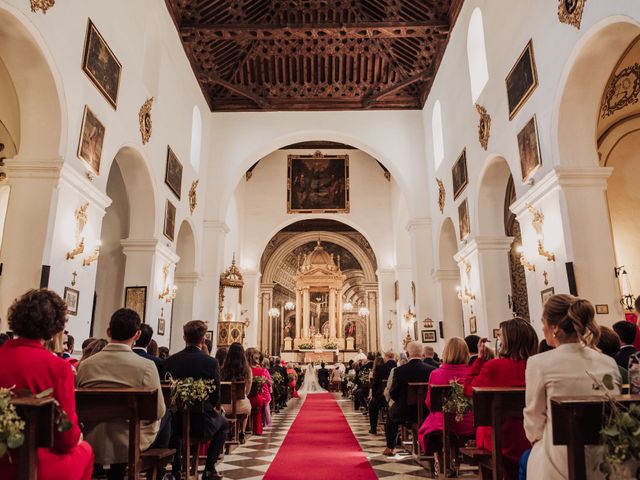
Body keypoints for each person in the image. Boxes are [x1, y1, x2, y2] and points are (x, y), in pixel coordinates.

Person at [0, 289, 94, 480]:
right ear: (54, 328)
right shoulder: (57, 367)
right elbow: (65, 439)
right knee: (85, 450)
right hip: (31, 462)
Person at [525, 295, 621, 479]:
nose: (542, 328)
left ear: (555, 328)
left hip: (558, 461)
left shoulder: (539, 363)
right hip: (605, 460)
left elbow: (534, 422)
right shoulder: (608, 363)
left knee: (533, 455)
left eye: (543, 322)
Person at [76, 309, 167, 480]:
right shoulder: (146, 366)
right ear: (137, 334)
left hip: (91, 437)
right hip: (129, 441)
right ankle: (158, 473)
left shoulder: (86, 365)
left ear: (108, 331)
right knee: (167, 414)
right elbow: (158, 411)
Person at [463, 318, 538, 479]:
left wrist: (480, 359)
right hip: (533, 436)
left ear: (507, 341)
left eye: (500, 337)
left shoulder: (494, 366)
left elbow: (469, 389)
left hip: (499, 438)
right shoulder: (538, 366)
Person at [162, 320, 227, 480]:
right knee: (224, 425)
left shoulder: (170, 361)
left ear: (184, 337)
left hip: (173, 422)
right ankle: (209, 469)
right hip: (202, 421)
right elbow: (215, 396)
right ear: (203, 339)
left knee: (174, 423)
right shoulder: (210, 362)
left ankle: (176, 468)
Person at [419, 337, 474, 459]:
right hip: (471, 425)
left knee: (434, 422)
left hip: (445, 426)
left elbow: (430, 403)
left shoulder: (436, 374)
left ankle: (442, 461)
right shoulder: (473, 374)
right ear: (466, 353)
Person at [383, 341, 436, 456]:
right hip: (426, 411)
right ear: (422, 354)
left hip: (404, 411)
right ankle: (428, 448)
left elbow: (393, 394)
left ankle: (390, 447)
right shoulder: (432, 370)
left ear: (407, 354)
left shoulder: (399, 371)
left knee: (391, 416)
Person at [220, 342, 252, 442]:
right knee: (246, 404)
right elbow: (248, 390)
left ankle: (229, 430)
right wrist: (243, 395)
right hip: (242, 406)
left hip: (225, 406)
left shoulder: (223, 369)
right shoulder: (247, 370)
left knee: (225, 409)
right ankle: (241, 431)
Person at [369, 351, 397, 435]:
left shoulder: (380, 368)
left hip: (383, 398)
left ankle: (373, 429)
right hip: (396, 397)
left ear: (386, 357)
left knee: (372, 405)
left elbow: (375, 384)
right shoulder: (399, 366)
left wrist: (373, 395)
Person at [247, 349, 270, 435]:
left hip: (245, 397)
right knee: (259, 399)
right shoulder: (261, 370)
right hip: (255, 397)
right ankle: (256, 428)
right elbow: (267, 383)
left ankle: (246, 427)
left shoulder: (244, 369)